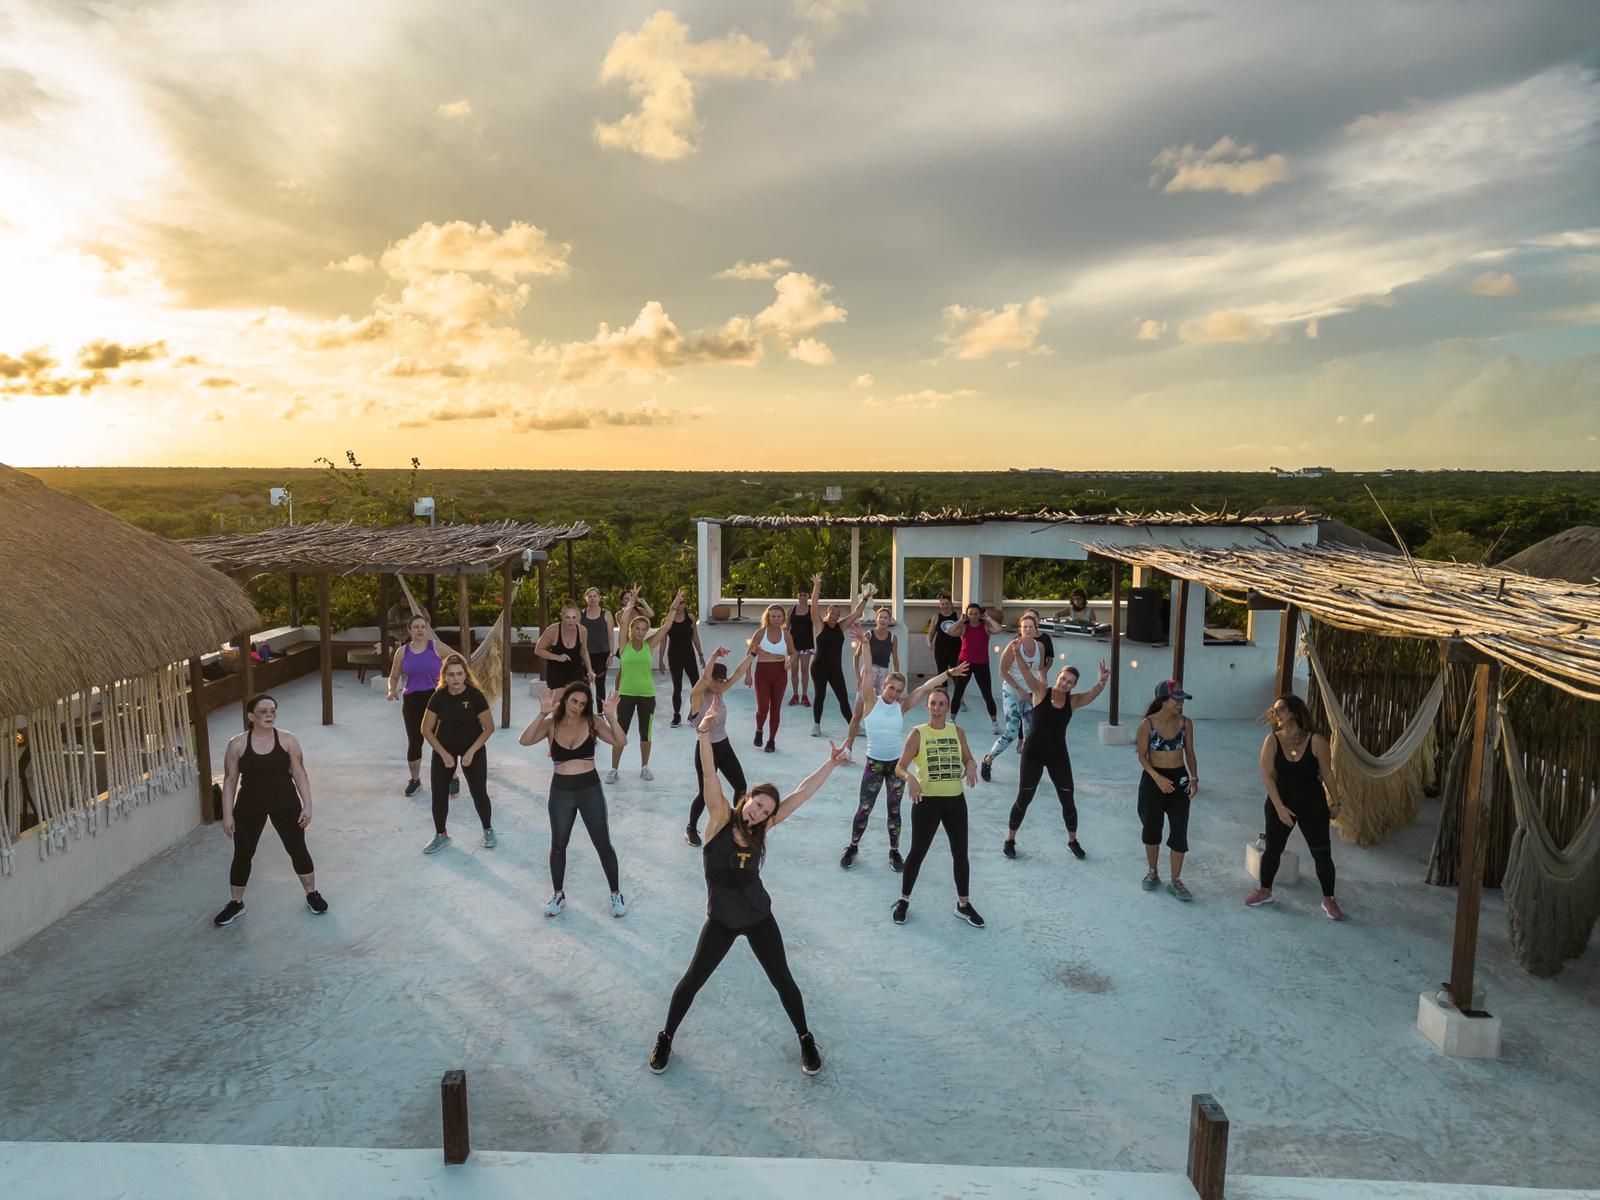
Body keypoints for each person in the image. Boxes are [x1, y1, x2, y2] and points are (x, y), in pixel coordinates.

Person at [648, 717, 850, 1077]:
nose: (759, 812)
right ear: (747, 798)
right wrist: (703, 734)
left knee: (783, 980)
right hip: (722, 920)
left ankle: (805, 1038)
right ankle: (666, 1037)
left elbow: (801, 795)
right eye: (757, 804)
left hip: (758, 917)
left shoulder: (763, 829)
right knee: (692, 979)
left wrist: (830, 764)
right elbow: (710, 777)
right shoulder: (719, 819)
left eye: (766, 811)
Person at [841, 657, 968, 871]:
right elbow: (868, 675)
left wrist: (950, 673)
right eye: (892, 688)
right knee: (864, 808)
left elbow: (926, 687)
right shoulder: (872, 701)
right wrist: (865, 643)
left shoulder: (901, 707)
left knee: (894, 810)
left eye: (899, 691)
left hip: (895, 767)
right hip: (874, 764)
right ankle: (853, 847)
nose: (895, 694)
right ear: (884, 686)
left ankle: (894, 851)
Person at [213, 694, 326, 925]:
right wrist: (227, 814)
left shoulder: (288, 740)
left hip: (285, 803)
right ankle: (236, 903)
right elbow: (230, 780)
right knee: (243, 853)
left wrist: (308, 805)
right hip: (249, 806)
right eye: (263, 711)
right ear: (250, 716)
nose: (269, 715)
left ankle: (311, 894)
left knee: (297, 849)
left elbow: (299, 773)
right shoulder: (237, 744)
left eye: (273, 710)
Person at [519, 682, 629, 918]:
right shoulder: (551, 724)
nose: (577, 707)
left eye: (582, 703)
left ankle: (616, 893)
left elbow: (621, 742)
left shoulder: (592, 722)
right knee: (558, 845)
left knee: (603, 843)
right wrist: (542, 713)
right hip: (561, 792)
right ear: (565, 699)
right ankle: (558, 895)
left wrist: (612, 717)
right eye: (573, 701)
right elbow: (524, 740)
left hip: (589, 790)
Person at [1247, 695, 1345, 920]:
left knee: (1321, 853)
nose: (1276, 714)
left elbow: (1328, 774)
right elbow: (1267, 776)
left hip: (1312, 803)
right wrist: (1280, 807)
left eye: (1280, 709)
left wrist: (1336, 801)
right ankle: (1265, 890)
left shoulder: (1316, 741)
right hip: (1280, 802)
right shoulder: (1271, 741)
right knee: (1273, 849)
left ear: (1294, 712)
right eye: (1274, 710)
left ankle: (1328, 899)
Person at [892, 689, 984, 928]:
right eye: (933, 704)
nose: (937, 708)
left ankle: (963, 904)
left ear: (948, 706)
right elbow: (900, 767)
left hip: (955, 802)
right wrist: (910, 778)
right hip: (927, 803)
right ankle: (903, 900)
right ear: (927, 707)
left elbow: (968, 758)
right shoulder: (918, 734)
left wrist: (972, 765)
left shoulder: (957, 732)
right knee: (917, 853)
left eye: (941, 704)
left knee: (960, 854)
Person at [1004, 656, 1108, 860]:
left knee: (1068, 798)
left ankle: (1072, 841)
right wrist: (1017, 654)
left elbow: (1091, 694)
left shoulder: (1073, 700)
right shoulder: (1041, 691)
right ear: (1057, 677)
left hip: (1057, 755)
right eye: (1063, 679)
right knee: (1024, 797)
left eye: (1070, 682)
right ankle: (1010, 840)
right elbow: (1026, 674)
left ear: (1073, 685)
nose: (1065, 683)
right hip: (1033, 753)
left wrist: (1102, 682)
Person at [420, 653, 497, 854]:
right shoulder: (439, 697)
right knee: (438, 793)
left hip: (473, 747)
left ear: (465, 675)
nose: (455, 679)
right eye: (451, 674)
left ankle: (488, 829)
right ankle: (440, 835)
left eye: (459, 674)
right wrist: (444, 754)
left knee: (478, 791)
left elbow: (489, 727)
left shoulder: (475, 696)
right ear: (445, 675)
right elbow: (426, 729)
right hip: (445, 747)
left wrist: (471, 751)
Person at [1135, 680, 1200, 899]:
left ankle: (1176, 880)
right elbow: (1142, 756)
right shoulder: (1148, 724)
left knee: (1179, 829)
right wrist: (1156, 777)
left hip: (1179, 779)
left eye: (1182, 699)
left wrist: (1194, 778)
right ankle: (1152, 872)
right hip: (1154, 780)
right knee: (1152, 828)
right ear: (1162, 700)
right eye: (1176, 699)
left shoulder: (1185, 723)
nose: (1180, 703)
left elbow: (1189, 753)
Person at [685, 646, 755, 845]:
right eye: (716, 680)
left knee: (740, 785)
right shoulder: (698, 696)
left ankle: (737, 824)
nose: (719, 684)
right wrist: (714, 655)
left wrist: (753, 654)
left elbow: (738, 673)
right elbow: (705, 680)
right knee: (704, 794)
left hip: (724, 746)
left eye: (721, 681)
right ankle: (691, 828)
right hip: (705, 750)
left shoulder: (719, 691)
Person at [610, 591, 680, 782]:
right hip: (625, 694)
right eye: (637, 628)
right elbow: (623, 621)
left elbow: (666, 627)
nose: (640, 632)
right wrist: (631, 602)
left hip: (646, 695)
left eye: (644, 629)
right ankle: (614, 769)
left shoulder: (650, 645)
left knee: (645, 732)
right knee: (620, 732)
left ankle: (645, 767)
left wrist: (674, 606)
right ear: (631, 630)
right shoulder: (624, 645)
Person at [386, 612, 451, 797]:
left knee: (443, 738)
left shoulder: (436, 647)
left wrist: (452, 682)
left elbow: (457, 659)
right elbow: (394, 676)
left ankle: (452, 776)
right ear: (409, 630)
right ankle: (415, 780)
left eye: (423, 627)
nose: (420, 630)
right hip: (412, 699)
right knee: (415, 741)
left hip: (436, 698)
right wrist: (391, 690)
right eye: (416, 627)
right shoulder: (402, 651)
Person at [979, 613, 1046, 782]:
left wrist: (1041, 689)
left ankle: (1028, 770)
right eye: (1025, 627)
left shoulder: (1040, 647)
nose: (1028, 629)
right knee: (1012, 731)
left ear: (1036, 629)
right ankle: (988, 760)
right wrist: (1018, 690)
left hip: (1030, 692)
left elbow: (1040, 670)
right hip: (1012, 691)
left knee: (1031, 733)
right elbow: (1002, 671)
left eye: (1031, 626)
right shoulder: (1013, 646)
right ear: (1020, 629)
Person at [808, 575, 875, 738]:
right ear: (827, 613)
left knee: (843, 698)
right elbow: (814, 605)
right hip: (819, 667)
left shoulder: (841, 626)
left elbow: (857, 613)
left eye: (837, 614)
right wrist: (817, 586)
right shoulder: (819, 625)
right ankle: (816, 725)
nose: (835, 617)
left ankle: (854, 726)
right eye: (832, 613)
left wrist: (866, 597)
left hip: (835, 669)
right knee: (820, 696)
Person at [746, 603, 795, 753]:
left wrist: (789, 662)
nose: (775, 619)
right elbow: (749, 654)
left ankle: (772, 740)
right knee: (763, 708)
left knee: (776, 708)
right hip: (762, 673)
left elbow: (793, 653)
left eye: (779, 616)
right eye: (773, 616)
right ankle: (759, 729)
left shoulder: (786, 635)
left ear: (783, 618)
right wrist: (747, 674)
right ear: (768, 617)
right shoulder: (760, 633)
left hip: (780, 673)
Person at [949, 603, 1002, 733]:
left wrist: (988, 618)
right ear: (967, 614)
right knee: (958, 693)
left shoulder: (985, 626)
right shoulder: (964, 626)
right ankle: (952, 721)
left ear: (980, 614)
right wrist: (960, 621)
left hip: (981, 664)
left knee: (987, 694)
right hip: (964, 663)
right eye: (970, 613)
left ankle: (995, 723)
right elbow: (949, 631)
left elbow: (999, 629)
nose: (973, 616)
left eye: (976, 613)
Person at [663, 592, 706, 727]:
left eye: (682, 602)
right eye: (678, 602)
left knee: (696, 685)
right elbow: (663, 641)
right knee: (677, 686)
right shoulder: (667, 620)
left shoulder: (690, 618)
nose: (680, 605)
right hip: (674, 656)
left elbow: (695, 637)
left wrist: (700, 654)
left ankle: (694, 713)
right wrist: (660, 661)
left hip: (689, 655)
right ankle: (676, 715)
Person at [535, 602, 593, 693]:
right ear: (562, 617)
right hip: (556, 671)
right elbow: (538, 650)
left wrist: (590, 670)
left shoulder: (582, 631)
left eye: (574, 618)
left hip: (575, 670)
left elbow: (584, 651)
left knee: (573, 700)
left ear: (578, 618)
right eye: (568, 617)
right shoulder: (552, 630)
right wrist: (557, 657)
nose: (571, 621)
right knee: (558, 702)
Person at [579, 587, 617, 705]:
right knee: (584, 686)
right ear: (586, 599)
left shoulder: (606, 614)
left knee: (600, 685)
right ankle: (585, 713)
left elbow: (611, 636)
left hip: (602, 654)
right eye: (589, 596)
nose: (592, 599)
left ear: (599, 598)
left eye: (595, 596)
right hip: (585, 655)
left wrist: (611, 654)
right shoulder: (581, 614)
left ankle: (601, 714)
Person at [787, 583, 816, 708]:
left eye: (805, 595)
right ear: (797, 596)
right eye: (800, 595)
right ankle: (795, 695)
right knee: (794, 670)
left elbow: (818, 625)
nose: (802, 597)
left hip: (806, 645)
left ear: (808, 596)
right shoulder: (791, 609)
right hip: (793, 645)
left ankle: (804, 695)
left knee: (805, 670)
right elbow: (786, 627)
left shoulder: (811, 610)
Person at [927, 593, 964, 677]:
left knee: (956, 674)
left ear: (951, 605)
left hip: (955, 649)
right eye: (942, 604)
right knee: (941, 674)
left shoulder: (957, 616)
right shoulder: (936, 617)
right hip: (940, 650)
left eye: (947, 603)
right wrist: (929, 643)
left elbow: (963, 631)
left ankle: (957, 690)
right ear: (940, 605)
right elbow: (931, 633)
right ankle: (943, 688)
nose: (945, 606)